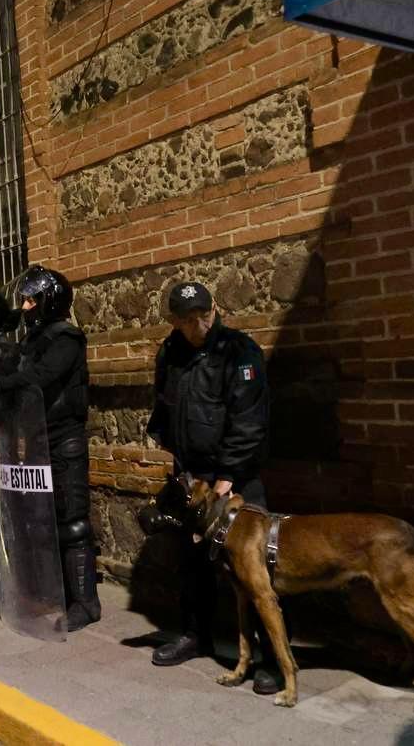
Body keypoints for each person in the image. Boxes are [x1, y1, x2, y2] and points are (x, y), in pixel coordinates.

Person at [145, 281, 274, 687]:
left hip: (234, 478)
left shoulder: (239, 351)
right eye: (187, 319)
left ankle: (271, 657)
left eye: (203, 315)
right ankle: (195, 635)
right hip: (192, 475)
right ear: (175, 321)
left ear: (214, 307)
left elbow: (249, 419)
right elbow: (165, 402)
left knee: (254, 567)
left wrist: (227, 476)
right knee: (192, 560)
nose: (197, 324)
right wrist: (168, 442)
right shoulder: (171, 352)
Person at [0, 265, 101, 630]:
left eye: (31, 300)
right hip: (37, 437)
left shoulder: (66, 338)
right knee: (42, 520)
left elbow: (40, 377)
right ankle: (53, 591)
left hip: (64, 438)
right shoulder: (31, 340)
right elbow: (8, 364)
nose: (25, 307)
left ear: (49, 301)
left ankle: (86, 603)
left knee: (72, 522)